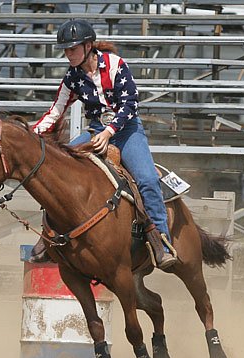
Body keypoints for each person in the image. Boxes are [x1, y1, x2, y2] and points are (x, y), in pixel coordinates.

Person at [30, 19, 177, 270]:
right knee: (57, 171)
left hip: (126, 131)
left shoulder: (116, 65)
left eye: (72, 49)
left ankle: (161, 240)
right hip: (96, 131)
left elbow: (130, 104)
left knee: (147, 180)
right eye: (66, 50)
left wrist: (109, 132)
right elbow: (55, 112)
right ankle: (50, 234)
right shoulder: (72, 78)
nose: (68, 54)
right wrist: (31, 135)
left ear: (88, 46)